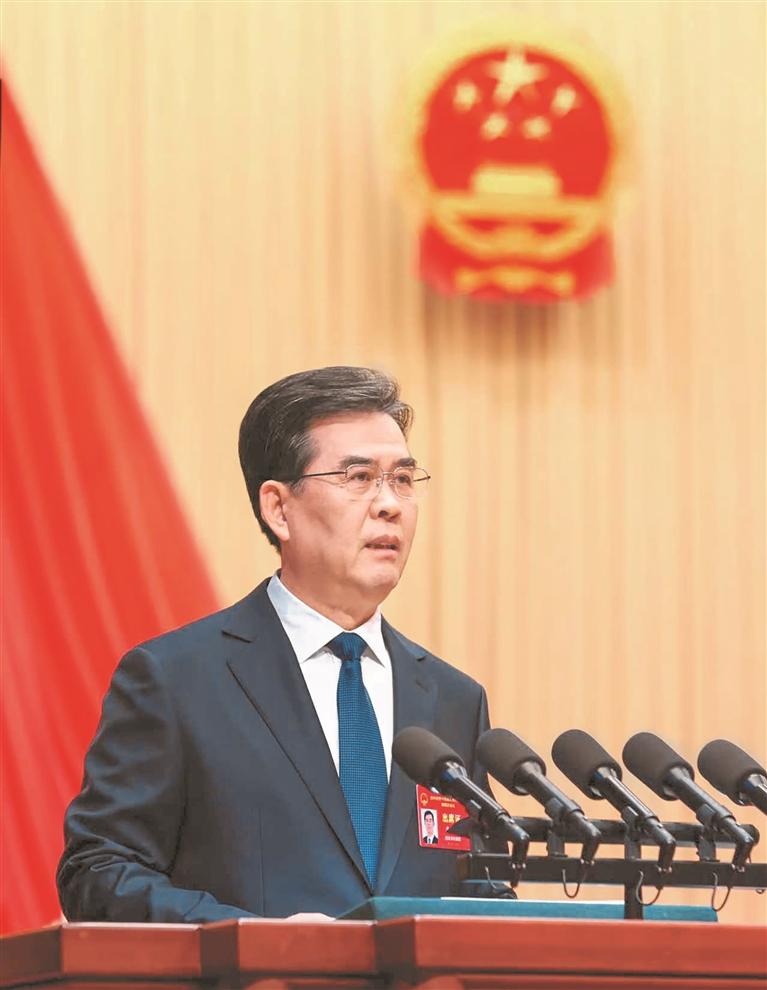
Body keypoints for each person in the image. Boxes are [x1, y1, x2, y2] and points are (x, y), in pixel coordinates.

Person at [58, 366, 495, 922]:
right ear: (278, 509)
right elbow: (99, 872)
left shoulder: (454, 700)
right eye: (359, 477)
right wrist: (258, 940)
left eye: (404, 480)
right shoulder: (176, 680)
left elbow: (479, 888)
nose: (390, 504)